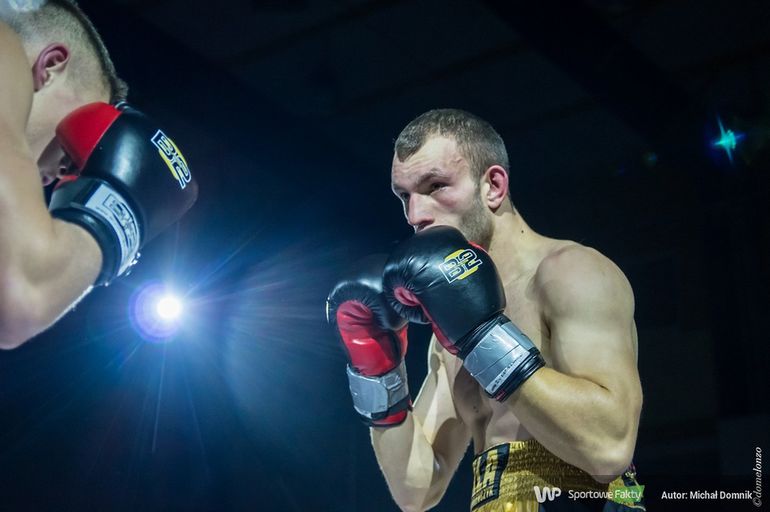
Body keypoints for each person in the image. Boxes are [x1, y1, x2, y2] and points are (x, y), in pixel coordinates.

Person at [327, 109, 644, 511]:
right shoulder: (449, 325)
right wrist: (378, 372)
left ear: (493, 186)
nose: (415, 215)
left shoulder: (571, 273)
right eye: (405, 196)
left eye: (435, 186)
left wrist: (483, 337)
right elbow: (417, 492)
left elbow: (610, 448)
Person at [0, 0, 197, 349]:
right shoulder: (6, 47)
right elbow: (23, 298)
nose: (66, 172)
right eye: (71, 149)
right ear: (51, 66)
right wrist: (111, 220)